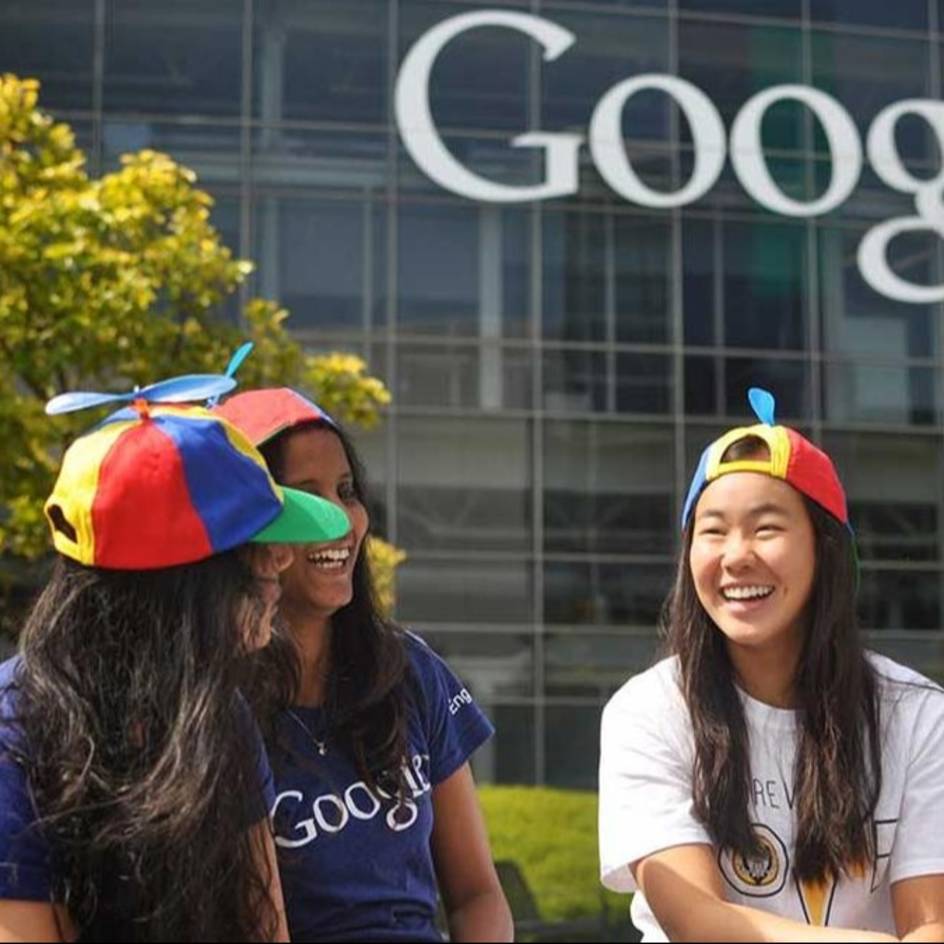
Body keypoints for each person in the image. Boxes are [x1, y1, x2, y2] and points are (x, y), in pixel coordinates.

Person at [598, 389, 944, 942]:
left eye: (766, 529)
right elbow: (699, 924)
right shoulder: (648, 710)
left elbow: (933, 923)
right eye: (712, 531)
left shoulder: (920, 716)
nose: (736, 556)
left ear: (826, 549)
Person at [0, 399, 351, 941]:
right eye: (257, 541)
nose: (283, 557)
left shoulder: (216, 712)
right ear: (184, 582)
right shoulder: (16, 736)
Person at [214, 388, 513, 943]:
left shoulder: (411, 670)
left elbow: (477, 894)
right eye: (306, 498)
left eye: (347, 492)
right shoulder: (209, 704)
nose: (341, 521)